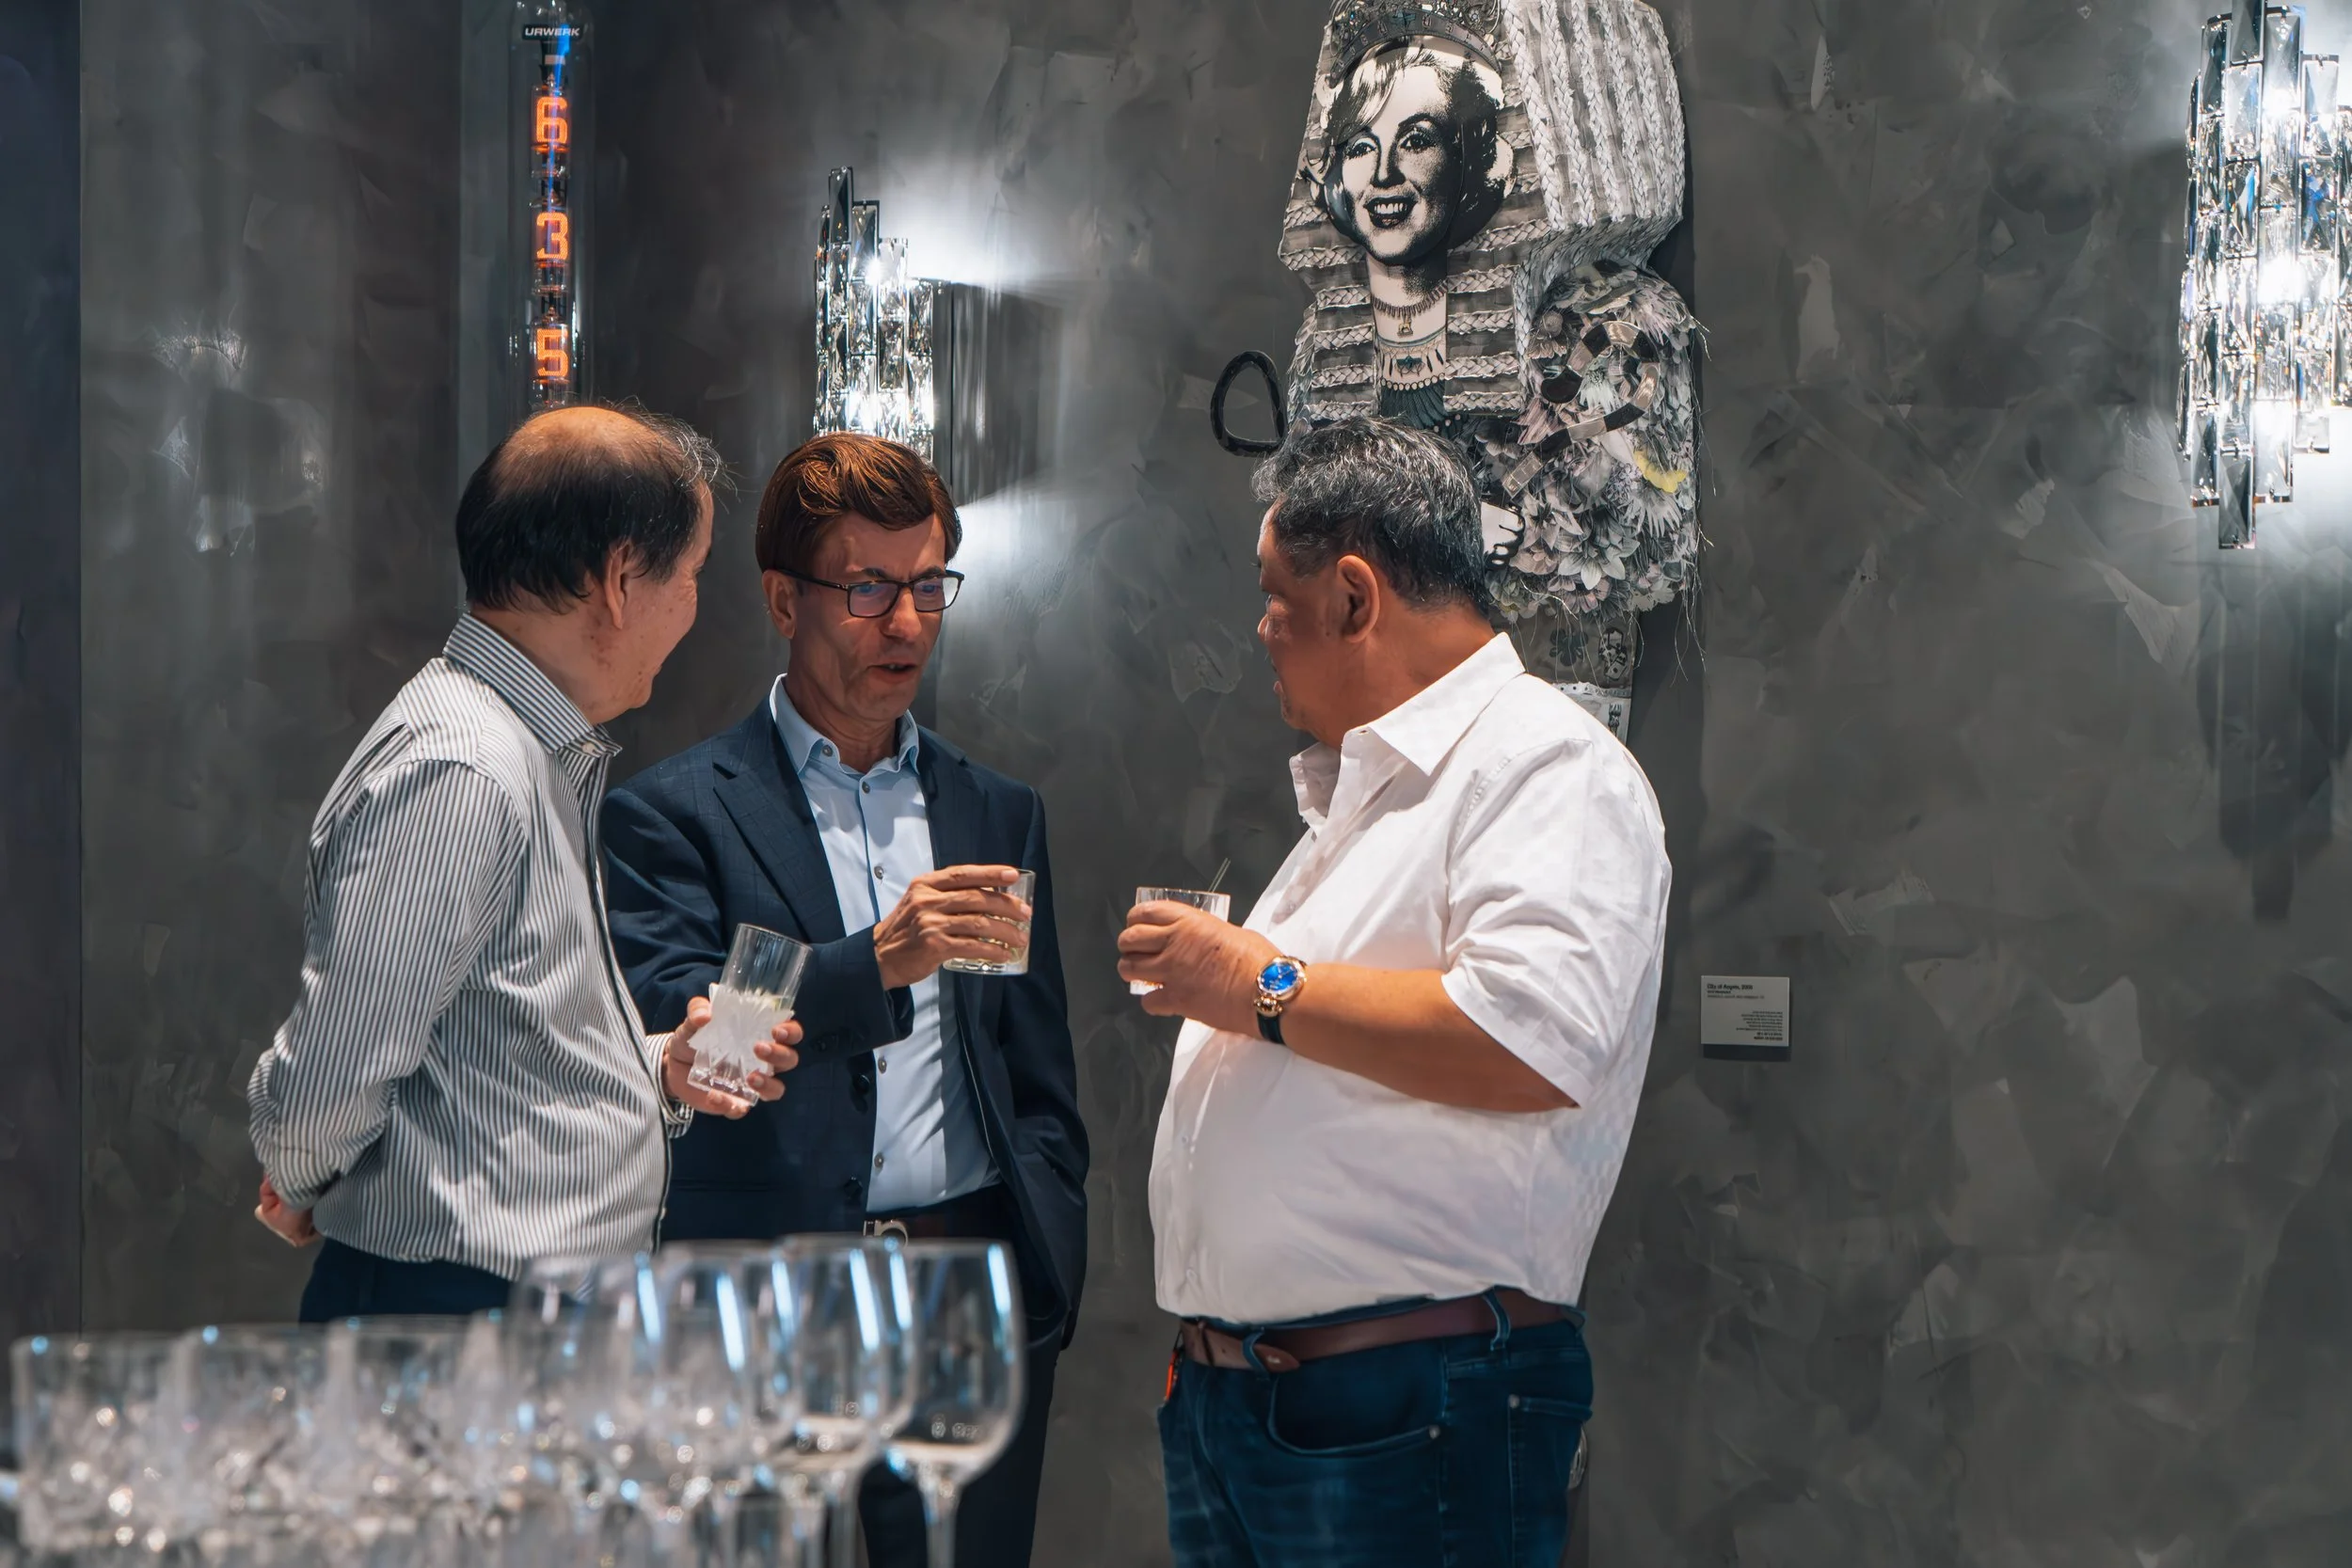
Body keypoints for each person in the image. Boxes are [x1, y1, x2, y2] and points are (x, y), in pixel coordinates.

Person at [1121, 417, 1670, 1568]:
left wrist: (1253, 981)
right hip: (1252, 1401)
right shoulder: (1373, 792)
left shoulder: (1544, 764)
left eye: (1275, 596)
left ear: (1353, 595)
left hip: (1407, 1402)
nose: (1261, 629)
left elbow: (1527, 1040)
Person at [602, 432, 1087, 1568]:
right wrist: (873, 960)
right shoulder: (674, 812)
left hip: (965, 1295)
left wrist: (1043, 1246)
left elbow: (1037, 1075)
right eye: (868, 588)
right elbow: (699, 1050)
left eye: (928, 586)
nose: (905, 623)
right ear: (785, 598)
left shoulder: (994, 811)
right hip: (765, 1300)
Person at [246, 405, 802, 1321]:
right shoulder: (465, 766)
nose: (693, 607)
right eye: (692, 574)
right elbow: (327, 1084)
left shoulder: (528, 748)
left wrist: (660, 1065)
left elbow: (501, 1041)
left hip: (518, 1305)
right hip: (458, 1311)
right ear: (621, 579)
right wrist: (303, 1178)